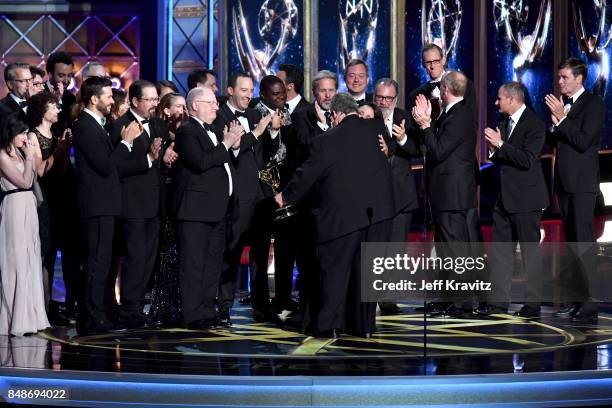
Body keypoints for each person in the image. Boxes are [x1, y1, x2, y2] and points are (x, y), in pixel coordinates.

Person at [274, 93, 394, 338]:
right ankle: (363, 327)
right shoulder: (376, 129)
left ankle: (328, 325)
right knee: (367, 275)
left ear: (336, 114)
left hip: (341, 217)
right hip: (378, 215)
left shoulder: (328, 139)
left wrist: (285, 196)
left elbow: (309, 172)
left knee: (334, 273)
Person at [72, 76, 142, 334]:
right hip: (96, 205)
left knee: (102, 261)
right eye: (109, 96)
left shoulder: (96, 125)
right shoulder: (85, 127)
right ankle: (92, 318)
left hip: (105, 205)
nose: (112, 101)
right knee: (97, 262)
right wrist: (125, 143)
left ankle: (97, 314)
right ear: (94, 99)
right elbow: (105, 166)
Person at [172, 86, 243, 329]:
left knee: (212, 264)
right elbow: (201, 162)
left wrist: (230, 145)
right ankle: (192, 314)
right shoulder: (188, 131)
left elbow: (220, 163)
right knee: (193, 264)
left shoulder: (211, 131)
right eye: (210, 103)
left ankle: (205, 309)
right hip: (195, 211)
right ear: (194, 106)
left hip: (217, 209)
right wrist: (226, 144)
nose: (216, 107)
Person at [412, 71, 478, 317]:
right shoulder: (450, 113)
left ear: (446, 89)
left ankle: (462, 302)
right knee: (445, 250)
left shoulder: (459, 116)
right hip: (444, 194)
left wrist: (426, 124)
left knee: (455, 250)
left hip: (453, 195)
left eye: (439, 87)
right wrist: (430, 121)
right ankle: (448, 298)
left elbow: (438, 151)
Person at [545, 57, 606, 323]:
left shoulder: (593, 105)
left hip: (582, 185)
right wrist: (555, 124)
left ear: (579, 79)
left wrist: (561, 120)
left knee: (583, 243)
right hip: (565, 184)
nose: (560, 82)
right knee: (571, 244)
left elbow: (583, 141)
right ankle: (575, 300)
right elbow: (555, 141)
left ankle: (590, 303)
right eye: (559, 78)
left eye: (564, 78)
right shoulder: (564, 106)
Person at [481, 82, 549, 318]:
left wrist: (500, 145)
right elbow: (504, 160)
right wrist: (494, 150)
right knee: (500, 253)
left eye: (499, 99)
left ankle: (533, 304)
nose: (496, 103)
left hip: (527, 199)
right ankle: (498, 303)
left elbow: (527, 160)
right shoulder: (503, 123)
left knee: (530, 253)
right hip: (504, 199)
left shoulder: (535, 124)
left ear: (512, 99)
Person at [214, 72, 273, 324]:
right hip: (236, 196)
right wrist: (259, 132)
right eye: (244, 90)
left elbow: (264, 155)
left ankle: (261, 305)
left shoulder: (254, 115)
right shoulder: (220, 117)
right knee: (232, 251)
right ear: (230, 91)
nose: (249, 95)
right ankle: (224, 306)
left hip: (259, 196)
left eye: (251, 91)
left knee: (260, 254)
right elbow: (234, 152)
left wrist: (271, 133)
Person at [109, 80, 165, 328]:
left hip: (155, 204)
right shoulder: (120, 127)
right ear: (134, 101)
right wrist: (149, 159)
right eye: (150, 99)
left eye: (156, 99)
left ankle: (138, 305)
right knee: (135, 257)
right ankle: (129, 308)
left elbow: (159, 161)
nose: (155, 104)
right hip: (132, 205)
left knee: (149, 259)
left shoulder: (158, 124)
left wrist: (167, 157)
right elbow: (116, 167)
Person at [26, 92, 75, 324]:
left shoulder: (56, 134)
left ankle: (62, 304)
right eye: (53, 106)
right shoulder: (33, 136)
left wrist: (64, 150)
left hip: (61, 197)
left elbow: (62, 171)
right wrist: (59, 149)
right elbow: (41, 171)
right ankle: (44, 306)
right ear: (42, 110)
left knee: (63, 249)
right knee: (46, 253)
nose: (58, 110)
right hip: (43, 199)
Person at [373, 77, 421, 316]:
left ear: (395, 99)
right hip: (372, 195)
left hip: (401, 195)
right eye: (379, 97)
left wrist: (401, 138)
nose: (383, 102)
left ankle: (388, 298)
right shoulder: (366, 116)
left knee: (395, 250)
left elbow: (416, 150)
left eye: (388, 98)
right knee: (374, 248)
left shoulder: (406, 118)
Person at [0, 114, 50, 336]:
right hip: (14, 206)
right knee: (17, 260)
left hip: (28, 206)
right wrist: (30, 157)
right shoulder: (2, 156)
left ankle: (34, 316)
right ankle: (16, 319)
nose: (25, 137)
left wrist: (28, 156)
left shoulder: (21, 153)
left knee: (31, 258)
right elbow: (24, 182)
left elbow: (34, 183)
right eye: (21, 133)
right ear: (10, 134)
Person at [44, 51, 76, 133]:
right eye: (61, 76)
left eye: (69, 76)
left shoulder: (71, 98)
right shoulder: (40, 94)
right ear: (50, 74)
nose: (66, 81)